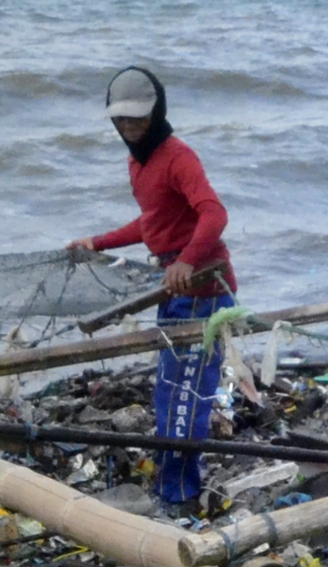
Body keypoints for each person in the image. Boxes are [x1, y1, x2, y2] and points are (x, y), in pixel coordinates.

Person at [66, 64, 236, 511]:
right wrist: (98, 242)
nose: (130, 127)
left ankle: (181, 497)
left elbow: (214, 214)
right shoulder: (137, 161)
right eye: (121, 120)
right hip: (173, 289)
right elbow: (153, 221)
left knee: (188, 397)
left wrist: (186, 260)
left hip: (205, 291)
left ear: (157, 112)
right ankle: (173, 487)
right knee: (167, 392)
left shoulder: (179, 157)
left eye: (138, 118)